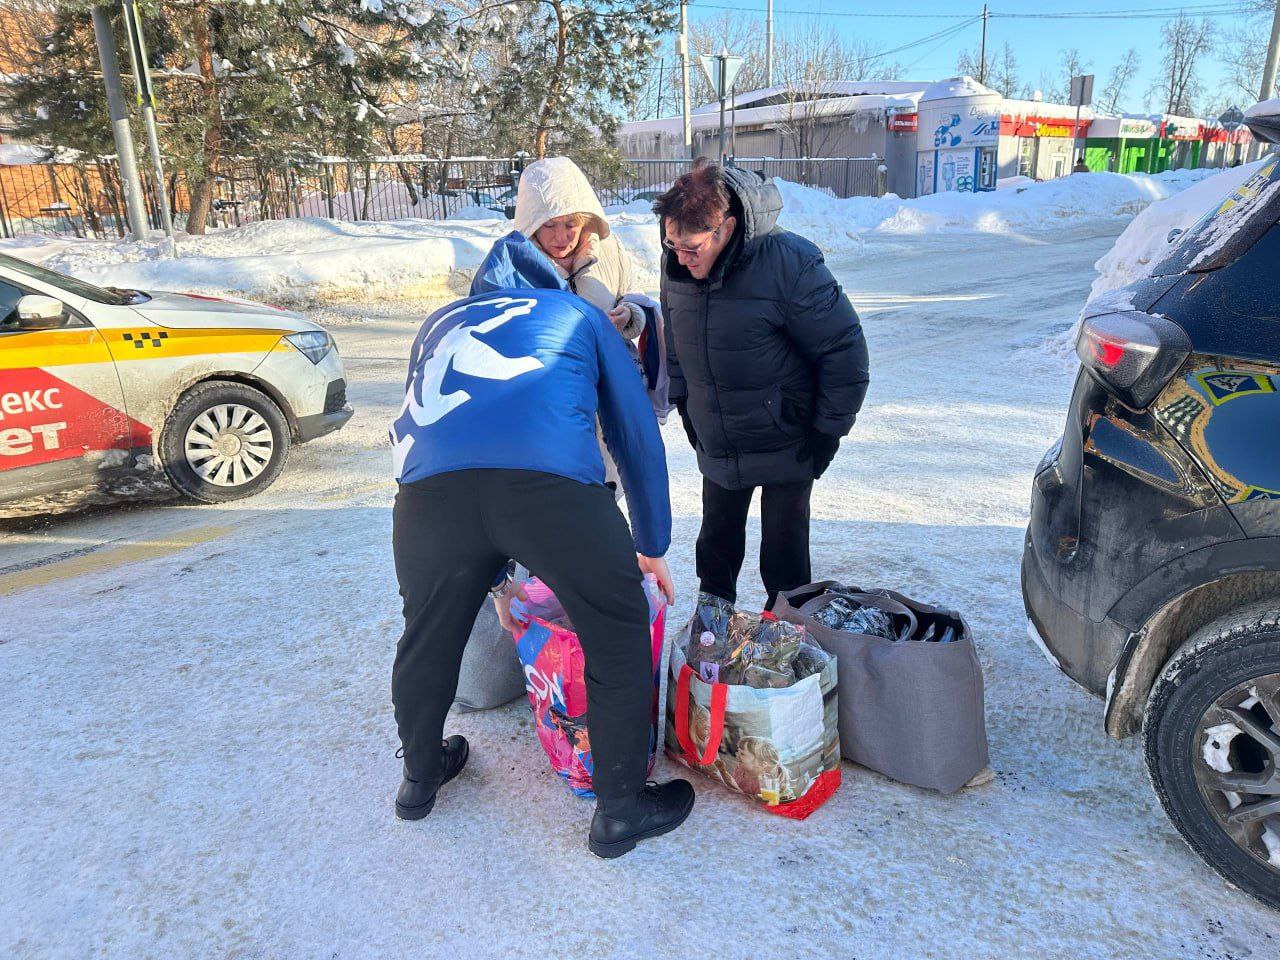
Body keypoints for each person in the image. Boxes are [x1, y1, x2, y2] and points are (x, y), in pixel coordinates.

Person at [389, 232, 694, 859]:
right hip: (552, 491)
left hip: (426, 500)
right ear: (545, 287)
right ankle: (619, 810)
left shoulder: (438, 322)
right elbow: (635, 431)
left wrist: (496, 578)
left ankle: (419, 781)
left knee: (427, 635)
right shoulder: (576, 312)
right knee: (616, 625)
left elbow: (438, 428)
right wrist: (651, 541)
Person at [655, 160, 869, 610]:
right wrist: (686, 404)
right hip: (718, 437)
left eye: (690, 247)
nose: (680, 257)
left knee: (785, 562)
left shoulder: (789, 262)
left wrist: (827, 431)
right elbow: (675, 341)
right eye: (672, 244)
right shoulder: (676, 263)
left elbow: (844, 351)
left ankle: (785, 650)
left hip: (786, 438)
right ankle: (711, 642)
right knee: (715, 549)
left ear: (726, 228)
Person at [504, 156, 651, 490]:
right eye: (549, 224)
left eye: (570, 223)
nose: (561, 236)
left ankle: (609, 527)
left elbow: (632, 295)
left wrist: (629, 313)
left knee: (611, 471)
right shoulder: (513, 261)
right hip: (549, 392)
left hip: (609, 384)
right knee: (559, 480)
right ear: (531, 222)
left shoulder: (610, 249)